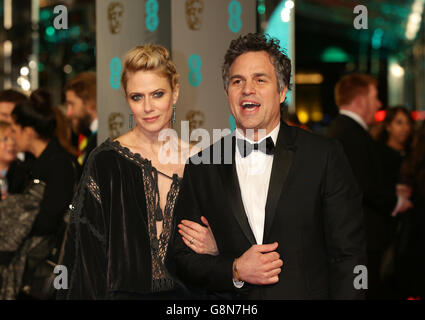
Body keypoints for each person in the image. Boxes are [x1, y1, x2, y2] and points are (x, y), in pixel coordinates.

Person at [167, 33, 366, 299]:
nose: (247, 89)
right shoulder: (203, 164)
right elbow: (181, 260)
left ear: (282, 91)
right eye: (238, 81)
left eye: (260, 80)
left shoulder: (323, 156)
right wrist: (235, 269)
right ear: (227, 93)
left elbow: (348, 256)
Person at [61, 44, 218, 300]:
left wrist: (216, 246)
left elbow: (232, 245)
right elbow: (85, 255)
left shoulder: (201, 161)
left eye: (157, 94)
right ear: (127, 98)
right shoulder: (105, 161)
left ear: (175, 92)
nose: (148, 107)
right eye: (137, 97)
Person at [327, 74, 413, 299]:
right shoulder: (350, 134)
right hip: (360, 241)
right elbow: (362, 186)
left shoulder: (345, 130)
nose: (379, 104)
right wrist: (397, 201)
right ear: (361, 100)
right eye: (375, 97)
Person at [0, 89, 77, 299]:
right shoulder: (28, 164)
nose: (12, 136)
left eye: (15, 129)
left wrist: (13, 222)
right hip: (26, 261)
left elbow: (49, 220)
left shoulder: (59, 164)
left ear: (29, 131)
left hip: (45, 266)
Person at [64, 71, 98, 166]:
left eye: (71, 104)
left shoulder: (100, 141)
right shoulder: (89, 138)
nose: (68, 113)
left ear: (89, 102)